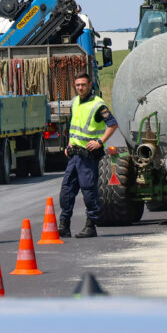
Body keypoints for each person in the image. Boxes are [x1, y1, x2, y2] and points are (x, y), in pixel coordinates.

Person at [59, 73, 117, 239]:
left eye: (83, 85)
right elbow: (74, 125)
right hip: (74, 154)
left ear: (90, 85)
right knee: (67, 190)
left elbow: (112, 124)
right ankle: (64, 226)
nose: (80, 88)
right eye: (77, 85)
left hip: (88, 155)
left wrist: (100, 141)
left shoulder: (98, 104)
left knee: (88, 190)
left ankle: (91, 226)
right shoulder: (75, 101)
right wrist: (70, 142)